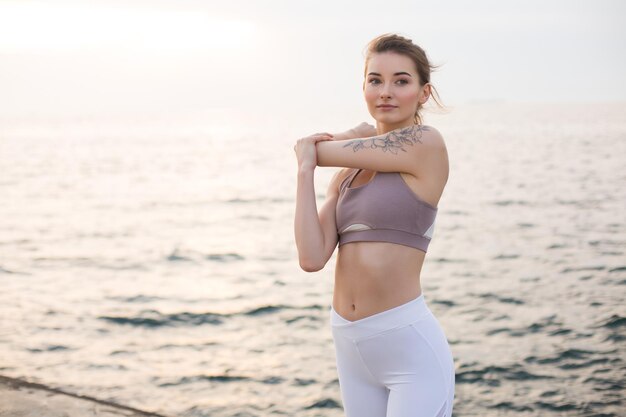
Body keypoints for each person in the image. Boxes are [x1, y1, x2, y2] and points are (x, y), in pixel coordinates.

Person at [293, 33, 454, 417]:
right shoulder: (348, 174)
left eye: (401, 81)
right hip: (350, 346)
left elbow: (317, 149)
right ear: (363, 86)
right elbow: (311, 257)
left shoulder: (425, 144)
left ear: (423, 93)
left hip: (409, 351)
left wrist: (347, 136)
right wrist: (303, 173)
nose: (386, 91)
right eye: (375, 80)